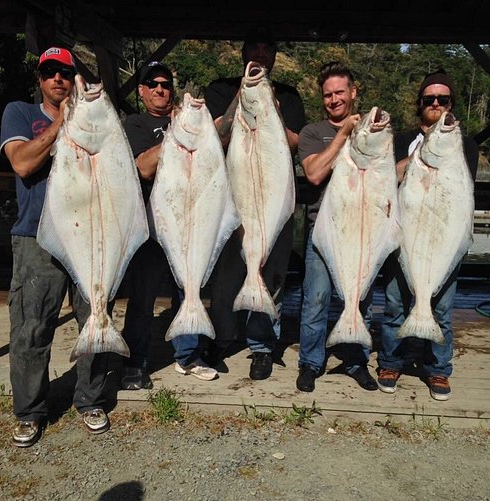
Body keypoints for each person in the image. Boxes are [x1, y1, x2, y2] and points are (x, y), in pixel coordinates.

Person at [0, 47, 111, 447]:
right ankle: (29, 411)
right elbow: (23, 164)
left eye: (65, 72)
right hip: (35, 239)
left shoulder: (92, 117)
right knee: (31, 327)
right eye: (50, 72)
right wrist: (61, 122)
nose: (58, 79)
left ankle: (91, 399)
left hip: (89, 236)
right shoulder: (18, 113)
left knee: (95, 319)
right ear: (40, 79)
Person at [203, 27, 306, 380]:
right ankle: (220, 339)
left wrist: (270, 102)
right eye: (254, 48)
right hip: (235, 199)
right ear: (243, 53)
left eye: (267, 49)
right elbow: (218, 134)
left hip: (273, 199)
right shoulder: (219, 89)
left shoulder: (289, 96)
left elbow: (293, 143)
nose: (260, 54)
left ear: (274, 56)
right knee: (225, 277)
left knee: (272, 275)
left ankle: (262, 346)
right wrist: (243, 94)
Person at [377, 69, 479, 401]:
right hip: (405, 237)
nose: (436, 104)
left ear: (451, 104)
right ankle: (391, 361)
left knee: (442, 312)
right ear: (420, 103)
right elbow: (385, 181)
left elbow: (463, 194)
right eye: (429, 99)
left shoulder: (465, 146)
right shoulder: (402, 141)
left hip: (443, 238)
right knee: (394, 306)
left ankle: (438, 369)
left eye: (443, 99)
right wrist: (416, 159)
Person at [120, 60, 217, 390]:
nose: (161, 89)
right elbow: (142, 168)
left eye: (166, 84)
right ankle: (136, 361)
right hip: (152, 225)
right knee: (144, 296)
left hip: (190, 221)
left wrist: (196, 122)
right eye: (154, 84)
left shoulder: (189, 122)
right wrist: (177, 133)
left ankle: (188, 356)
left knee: (188, 290)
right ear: (142, 91)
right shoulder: (134, 124)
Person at [295, 61, 379, 393]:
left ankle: (357, 361)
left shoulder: (373, 131)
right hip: (322, 234)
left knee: (361, 302)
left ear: (353, 92)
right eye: (328, 95)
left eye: (340, 92)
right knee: (314, 301)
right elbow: (314, 174)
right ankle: (310, 363)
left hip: (362, 235)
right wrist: (344, 135)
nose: (334, 100)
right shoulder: (312, 133)